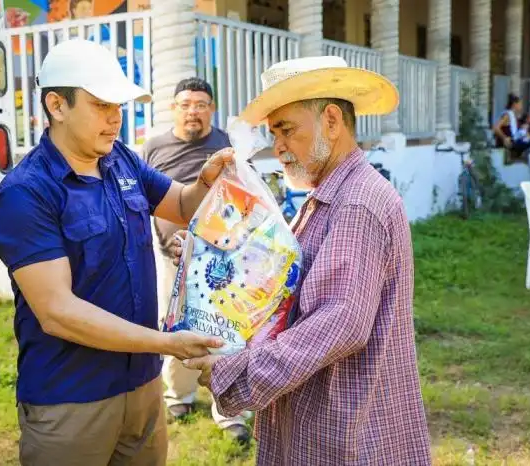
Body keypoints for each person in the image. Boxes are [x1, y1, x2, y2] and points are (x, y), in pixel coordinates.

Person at [0, 38, 233, 466]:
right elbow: (57, 311)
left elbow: (184, 205)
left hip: (142, 385)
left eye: (119, 106)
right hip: (72, 400)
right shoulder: (27, 194)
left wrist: (206, 181)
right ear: (57, 106)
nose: (115, 119)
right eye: (101, 105)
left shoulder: (122, 162)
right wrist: (166, 343)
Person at [175, 56, 433, 464]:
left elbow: (338, 323)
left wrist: (237, 373)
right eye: (272, 133)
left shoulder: (356, 203)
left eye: (286, 130)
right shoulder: (326, 196)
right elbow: (285, 282)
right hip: (320, 419)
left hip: (346, 430)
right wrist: (204, 254)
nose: (277, 147)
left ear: (332, 120)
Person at [142, 77, 251, 443]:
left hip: (222, 256)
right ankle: (180, 395)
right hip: (172, 255)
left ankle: (230, 409)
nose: (193, 110)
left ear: (212, 109)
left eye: (201, 104)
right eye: (186, 103)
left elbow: (241, 198)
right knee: (176, 325)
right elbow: (146, 201)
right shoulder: (154, 146)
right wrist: (167, 239)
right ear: (174, 108)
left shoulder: (226, 145)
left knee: (227, 327)